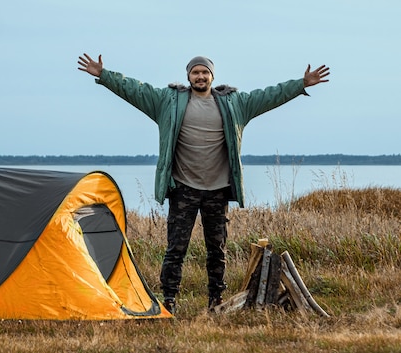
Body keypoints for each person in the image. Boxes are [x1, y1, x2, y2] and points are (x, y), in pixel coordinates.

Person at [76, 53, 330, 314]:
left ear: (212, 76)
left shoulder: (234, 104)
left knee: (216, 250)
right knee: (176, 248)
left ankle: (215, 299)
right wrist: (105, 76)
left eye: (204, 72)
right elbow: (135, 90)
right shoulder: (168, 101)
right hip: (183, 188)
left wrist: (301, 84)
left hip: (217, 190)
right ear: (188, 76)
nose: (200, 76)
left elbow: (268, 96)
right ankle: (169, 299)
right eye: (195, 72)